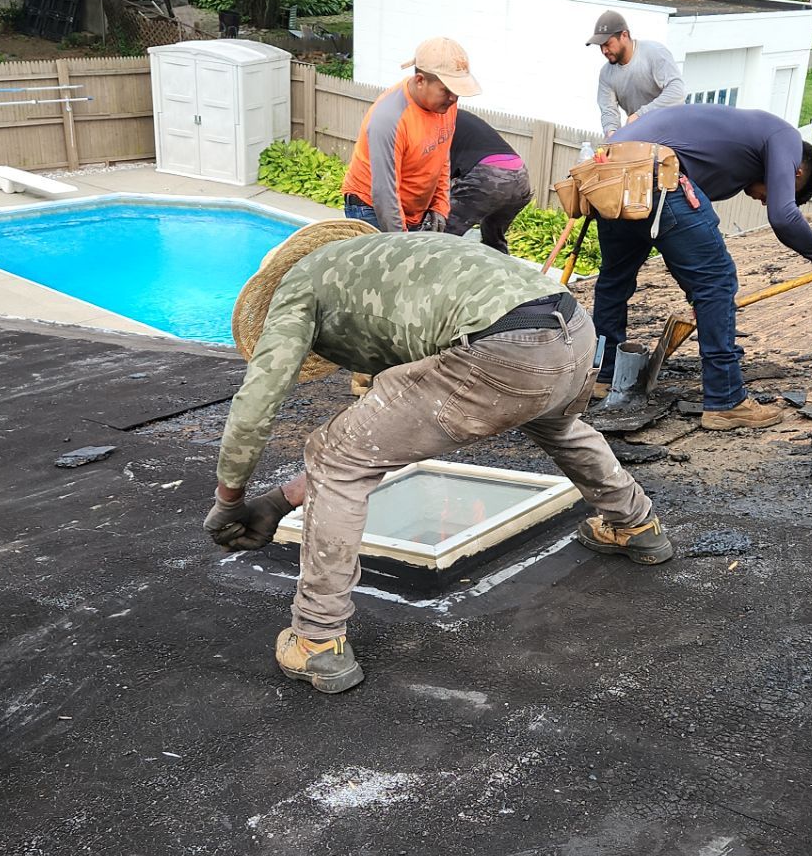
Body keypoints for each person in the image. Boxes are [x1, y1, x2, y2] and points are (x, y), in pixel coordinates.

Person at [204, 221, 673, 694]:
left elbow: (256, 404)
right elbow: (391, 427)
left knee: (336, 457)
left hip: (501, 349)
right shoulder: (390, 261)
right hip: (573, 331)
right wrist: (282, 501)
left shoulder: (296, 290)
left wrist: (230, 501)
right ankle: (635, 524)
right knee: (558, 424)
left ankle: (317, 640)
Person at [589, 103, 812, 430]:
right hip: (654, 170)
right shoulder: (786, 137)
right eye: (782, 188)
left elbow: (679, 239)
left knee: (614, 280)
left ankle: (603, 375)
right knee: (716, 283)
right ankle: (726, 401)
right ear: (795, 172)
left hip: (608, 172)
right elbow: (783, 217)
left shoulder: (733, 152)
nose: (765, 199)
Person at [341, 37, 479, 233]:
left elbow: (442, 156)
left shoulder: (445, 106)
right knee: (394, 253)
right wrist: (402, 242)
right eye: (447, 90)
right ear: (420, 81)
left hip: (412, 207)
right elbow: (385, 194)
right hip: (372, 207)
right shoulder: (389, 118)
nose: (454, 98)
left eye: (457, 91)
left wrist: (440, 206)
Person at [445, 110, 532, 253]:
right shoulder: (457, 116)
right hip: (520, 177)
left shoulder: (437, 121)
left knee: (438, 234)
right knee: (493, 242)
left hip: (488, 176)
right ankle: (500, 264)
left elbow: (435, 176)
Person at [589, 10, 685, 137]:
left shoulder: (655, 53)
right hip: (643, 135)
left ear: (624, 35)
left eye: (607, 44)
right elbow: (609, 110)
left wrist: (640, 115)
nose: (604, 51)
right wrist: (612, 132)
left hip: (674, 132)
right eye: (600, 46)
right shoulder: (606, 74)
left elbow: (677, 92)